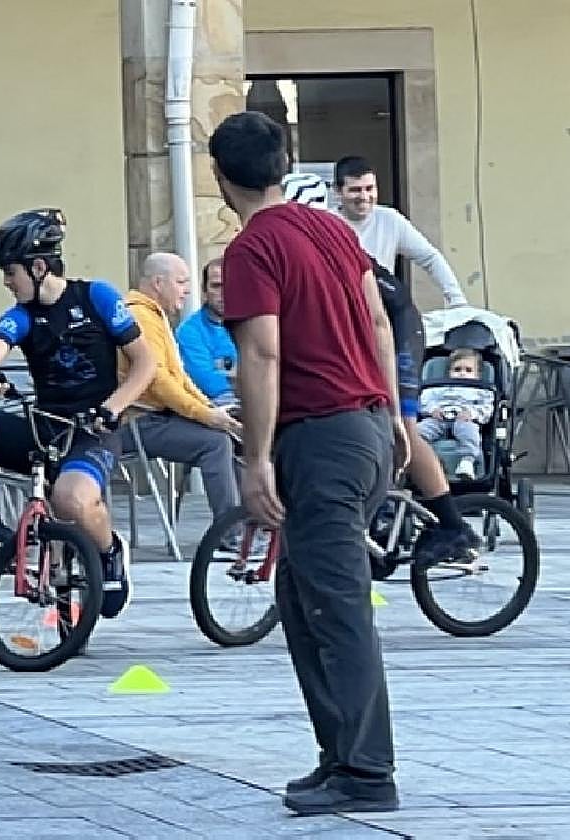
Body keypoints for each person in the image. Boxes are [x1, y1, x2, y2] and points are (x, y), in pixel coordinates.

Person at [213, 111, 408, 816]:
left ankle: (367, 770)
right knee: (302, 600)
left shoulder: (251, 251)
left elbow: (262, 355)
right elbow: (378, 320)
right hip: (364, 429)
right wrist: (392, 412)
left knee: (337, 605)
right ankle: (340, 755)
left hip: (318, 436)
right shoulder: (328, 228)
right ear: (284, 162)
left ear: (219, 176)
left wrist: (256, 458)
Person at [0, 209, 155, 619]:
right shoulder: (23, 314)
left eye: (10, 273)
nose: (7, 283)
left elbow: (144, 364)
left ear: (38, 267)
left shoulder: (96, 297)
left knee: (71, 499)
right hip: (42, 428)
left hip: (92, 430)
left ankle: (108, 552)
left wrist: (112, 408)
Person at [282, 171, 479, 565]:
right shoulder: (305, 245)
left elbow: (379, 318)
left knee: (401, 426)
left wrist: (458, 302)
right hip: (373, 332)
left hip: (399, 328)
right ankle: (378, 513)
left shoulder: (332, 244)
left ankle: (453, 524)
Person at [118, 252, 242, 525]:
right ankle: (231, 533)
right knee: (216, 442)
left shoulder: (153, 315)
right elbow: (158, 381)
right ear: (158, 283)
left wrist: (210, 409)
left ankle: (252, 526)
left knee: (237, 432)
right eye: (181, 281)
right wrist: (206, 415)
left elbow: (180, 378)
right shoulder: (139, 315)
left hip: (158, 417)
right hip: (138, 421)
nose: (186, 290)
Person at [333, 155, 468, 309]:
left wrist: (458, 301)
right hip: (340, 310)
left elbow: (430, 258)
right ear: (337, 191)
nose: (364, 197)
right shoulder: (325, 223)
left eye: (369, 188)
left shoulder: (390, 219)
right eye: (355, 190)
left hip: (383, 310)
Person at [416, 348, 494, 480]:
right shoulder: (440, 387)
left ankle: (467, 461)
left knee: (470, 433)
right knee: (417, 431)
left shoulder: (481, 390)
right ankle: (423, 461)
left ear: (478, 374)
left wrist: (472, 413)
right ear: (449, 372)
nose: (462, 374)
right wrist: (432, 410)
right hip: (438, 419)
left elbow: (487, 408)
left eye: (468, 370)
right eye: (457, 370)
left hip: (464, 420)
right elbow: (424, 400)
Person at [175, 257, 238, 407]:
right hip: (217, 409)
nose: (224, 293)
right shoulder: (189, 331)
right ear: (204, 290)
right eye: (216, 286)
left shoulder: (253, 324)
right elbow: (207, 382)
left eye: (231, 285)